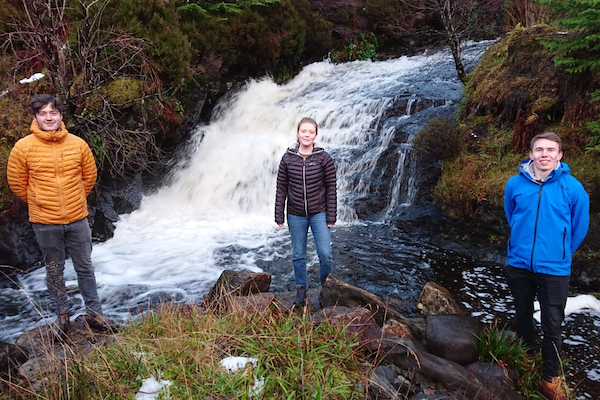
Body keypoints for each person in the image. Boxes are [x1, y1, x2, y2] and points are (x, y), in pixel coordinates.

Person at [7, 94, 116, 338]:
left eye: (52, 113)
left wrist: (74, 198)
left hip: (77, 218)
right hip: (45, 221)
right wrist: (39, 201)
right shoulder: (23, 148)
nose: (49, 117)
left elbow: (89, 177)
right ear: (35, 117)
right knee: (54, 269)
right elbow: (17, 183)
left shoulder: (78, 144)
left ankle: (94, 313)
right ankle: (62, 318)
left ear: (60, 116)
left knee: (85, 266)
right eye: (43, 113)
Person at [504, 132, 589, 400]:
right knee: (522, 313)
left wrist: (561, 252)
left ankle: (550, 378)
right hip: (519, 264)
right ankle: (526, 358)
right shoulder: (514, 184)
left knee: (553, 324)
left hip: (554, 269)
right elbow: (511, 215)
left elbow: (579, 227)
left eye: (550, 150)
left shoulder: (573, 188)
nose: (544, 154)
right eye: (539, 149)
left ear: (559, 155)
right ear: (530, 154)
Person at [275, 117, 337, 306]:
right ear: (298, 133)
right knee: (298, 254)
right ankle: (301, 289)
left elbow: (331, 187)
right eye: (304, 131)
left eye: (311, 132)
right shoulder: (287, 158)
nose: (307, 135)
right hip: (295, 214)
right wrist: (278, 215)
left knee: (325, 253)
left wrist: (331, 215)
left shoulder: (323, 158)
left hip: (319, 212)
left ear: (315, 135)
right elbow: (281, 187)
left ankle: (326, 287)